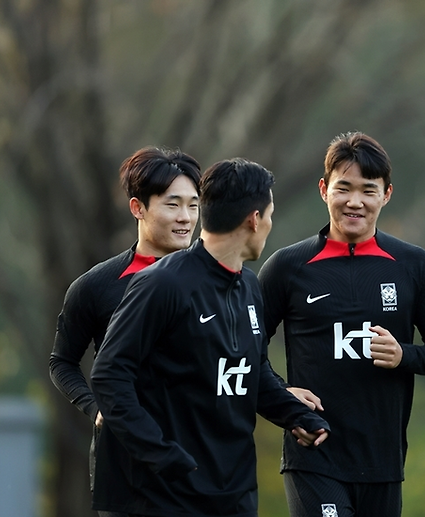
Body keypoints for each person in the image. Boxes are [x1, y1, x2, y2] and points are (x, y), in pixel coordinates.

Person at [90, 157, 330, 517]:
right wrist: (160, 453)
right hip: (162, 496)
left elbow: (253, 371)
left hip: (233, 492)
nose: (269, 224)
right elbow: (109, 375)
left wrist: (297, 415)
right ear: (254, 219)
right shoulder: (162, 284)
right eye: (269, 215)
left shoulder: (249, 284)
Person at [258, 132, 425, 517]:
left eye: (368, 190)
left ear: (387, 194)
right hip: (314, 453)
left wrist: (405, 356)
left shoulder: (413, 265)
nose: (355, 202)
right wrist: (284, 397)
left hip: (383, 462)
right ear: (323, 189)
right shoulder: (287, 267)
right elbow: (243, 350)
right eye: (343, 188)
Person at [49, 146, 201, 517]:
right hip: (125, 466)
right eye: (172, 205)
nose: (186, 218)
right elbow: (62, 362)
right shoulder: (96, 286)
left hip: (201, 455)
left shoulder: (216, 280)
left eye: (194, 205)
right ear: (138, 208)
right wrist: (96, 407)